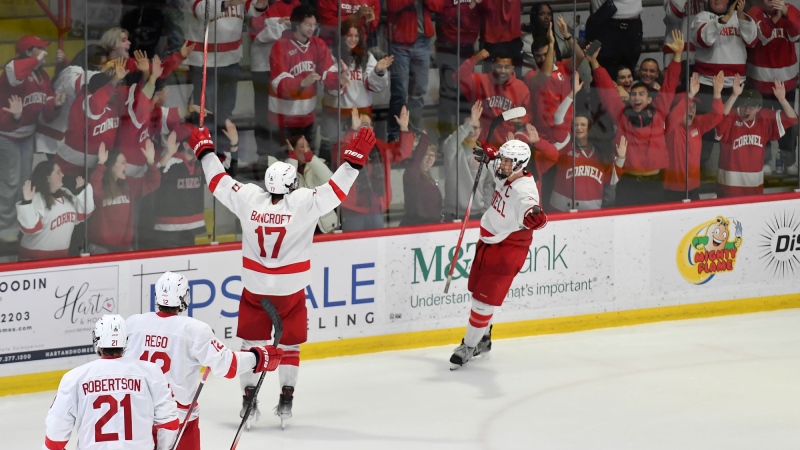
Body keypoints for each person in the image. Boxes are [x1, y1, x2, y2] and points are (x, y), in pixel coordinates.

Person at [189, 122, 375, 427]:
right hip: (290, 291)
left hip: (255, 289)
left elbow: (218, 182)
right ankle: (286, 399)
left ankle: (249, 400)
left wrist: (206, 151)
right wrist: (353, 162)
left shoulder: (250, 199)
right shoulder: (301, 204)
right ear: (291, 186)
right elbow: (334, 192)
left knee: (251, 346)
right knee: (289, 346)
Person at [125, 272, 282, 448]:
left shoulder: (133, 324)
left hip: (136, 415)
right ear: (183, 297)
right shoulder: (193, 330)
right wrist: (260, 357)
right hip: (178, 420)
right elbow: (228, 366)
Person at [449, 138, 548, 369]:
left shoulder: (525, 189)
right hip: (490, 241)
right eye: (502, 160)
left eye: (505, 161)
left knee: (482, 302)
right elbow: (494, 162)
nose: (500, 165)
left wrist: (534, 216)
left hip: (508, 248)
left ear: (518, 164)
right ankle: (484, 338)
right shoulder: (506, 172)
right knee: (477, 292)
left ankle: (468, 346)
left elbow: (529, 207)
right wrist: (490, 155)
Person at [42, 314, 180, 450]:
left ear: (97, 340)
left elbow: (55, 437)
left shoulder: (74, 378)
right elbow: (169, 423)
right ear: (125, 340)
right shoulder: (151, 372)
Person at [586, 31, 685, 206]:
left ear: (649, 99)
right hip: (627, 182)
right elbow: (607, 88)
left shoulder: (659, 111)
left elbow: (669, 84)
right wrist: (594, 62)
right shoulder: (621, 114)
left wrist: (677, 56)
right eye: (634, 95)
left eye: (641, 95)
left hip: (654, 182)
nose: (637, 98)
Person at [0, 35, 63, 243]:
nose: (45, 53)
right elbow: (15, 72)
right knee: (9, 182)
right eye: (39, 49)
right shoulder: (13, 68)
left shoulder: (42, 74)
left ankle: (20, 221)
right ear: (28, 52)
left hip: (27, 135)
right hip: (7, 135)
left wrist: (56, 104)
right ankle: (4, 227)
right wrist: (35, 60)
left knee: (24, 181)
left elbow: (46, 106)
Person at [691, 0, 757, 177]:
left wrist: (740, 16)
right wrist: (726, 17)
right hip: (707, 84)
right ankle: (701, 169)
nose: (717, 0)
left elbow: (752, 40)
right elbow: (704, 39)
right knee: (705, 130)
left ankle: (734, 168)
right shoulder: (701, 17)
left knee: (733, 130)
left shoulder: (740, 18)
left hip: (735, 86)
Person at [269, 4, 346, 151]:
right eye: (307, 24)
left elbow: (328, 71)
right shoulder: (280, 46)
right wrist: (302, 83)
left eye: (314, 24)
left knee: (307, 163)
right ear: (297, 24)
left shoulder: (318, 44)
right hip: (283, 118)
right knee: (285, 166)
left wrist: (339, 81)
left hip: (308, 117)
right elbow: (278, 82)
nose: (312, 28)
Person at [549, 76, 626, 212]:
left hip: (591, 210)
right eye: (575, 124)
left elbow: (612, 180)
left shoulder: (601, 150)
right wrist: (572, 95)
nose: (579, 127)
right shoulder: (565, 145)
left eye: (583, 124)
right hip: (560, 208)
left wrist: (621, 158)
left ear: (590, 127)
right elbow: (558, 118)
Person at [320, 19, 392, 163]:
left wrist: (378, 71)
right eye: (349, 35)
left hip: (362, 115)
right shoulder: (330, 55)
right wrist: (338, 81)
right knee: (337, 159)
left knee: (360, 159)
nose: (353, 39)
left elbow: (372, 85)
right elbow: (327, 83)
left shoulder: (366, 57)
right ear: (341, 36)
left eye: (356, 36)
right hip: (336, 117)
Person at [715, 77, 797, 197]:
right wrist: (734, 95)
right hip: (729, 187)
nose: (747, 109)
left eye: (752, 107)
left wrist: (782, 99)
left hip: (754, 187)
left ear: (759, 108)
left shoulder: (764, 118)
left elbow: (792, 119)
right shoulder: (731, 115)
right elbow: (718, 118)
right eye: (744, 105)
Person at [747, 0, 800, 175]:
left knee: (788, 124)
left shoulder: (789, 9)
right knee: (762, 123)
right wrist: (777, 18)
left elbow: (796, 33)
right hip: (760, 81)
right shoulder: (754, 12)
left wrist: (786, 12)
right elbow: (764, 37)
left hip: (787, 82)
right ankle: (764, 160)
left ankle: (789, 161)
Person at [88, 141, 161, 253]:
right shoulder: (101, 186)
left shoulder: (129, 184)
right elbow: (93, 189)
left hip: (124, 249)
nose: (127, 166)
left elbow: (153, 182)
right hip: (101, 249)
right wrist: (100, 164)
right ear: (112, 166)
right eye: (123, 163)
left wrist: (151, 162)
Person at [249, 0, 300, 161]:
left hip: (286, 66)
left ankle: (286, 152)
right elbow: (256, 35)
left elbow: (303, 32)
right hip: (262, 66)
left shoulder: (295, 4)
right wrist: (284, 26)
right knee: (263, 113)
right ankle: (263, 156)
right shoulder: (261, 3)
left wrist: (285, 26)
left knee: (285, 112)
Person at [663, 72, 724, 202]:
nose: (691, 110)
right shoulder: (670, 127)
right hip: (672, 190)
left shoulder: (697, 125)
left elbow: (717, 116)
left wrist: (717, 93)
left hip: (694, 188)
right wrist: (690, 94)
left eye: (694, 106)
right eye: (687, 106)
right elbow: (674, 117)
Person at [16, 161, 94, 261]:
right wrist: (27, 203)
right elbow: (31, 228)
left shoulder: (66, 194)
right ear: (47, 177)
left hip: (61, 256)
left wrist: (83, 192)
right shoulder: (36, 198)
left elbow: (83, 215)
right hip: (35, 258)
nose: (62, 174)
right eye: (58, 172)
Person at [428, 0, 481, 141]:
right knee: (448, 92)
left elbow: (482, 11)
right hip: (447, 47)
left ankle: (464, 136)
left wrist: (472, 6)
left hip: (467, 46)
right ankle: (445, 138)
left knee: (465, 91)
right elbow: (446, 15)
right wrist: (469, 6)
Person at [458, 48, 530, 149]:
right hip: (481, 143)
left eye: (507, 67)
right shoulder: (482, 81)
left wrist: (522, 120)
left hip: (506, 144)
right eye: (499, 67)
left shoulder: (521, 88)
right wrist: (475, 58)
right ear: (492, 67)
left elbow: (529, 113)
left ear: (513, 68)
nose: (503, 71)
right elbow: (459, 76)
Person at [386, 0, 434, 140]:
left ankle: (414, 133)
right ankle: (394, 135)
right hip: (400, 42)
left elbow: (438, 6)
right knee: (399, 92)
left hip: (423, 42)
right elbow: (392, 6)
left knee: (419, 91)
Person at [442, 101, 492, 222]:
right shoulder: (452, 149)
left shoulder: (485, 153)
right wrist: (470, 122)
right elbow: (451, 143)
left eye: (475, 127)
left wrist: (486, 208)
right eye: (468, 126)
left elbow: (489, 184)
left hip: (478, 214)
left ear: (480, 130)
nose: (471, 131)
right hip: (453, 214)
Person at [285, 134, 340, 233]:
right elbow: (287, 192)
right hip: (301, 230)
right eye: (302, 146)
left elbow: (331, 181)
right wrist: (292, 160)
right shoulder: (285, 170)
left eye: (308, 146)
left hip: (327, 227)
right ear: (293, 150)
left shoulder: (317, 165)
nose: (306, 149)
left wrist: (311, 159)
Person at [401, 133, 442, 226]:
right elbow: (415, 162)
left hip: (432, 224)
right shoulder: (412, 174)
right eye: (426, 154)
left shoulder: (429, 177)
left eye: (433, 155)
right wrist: (424, 140)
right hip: (417, 225)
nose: (430, 158)